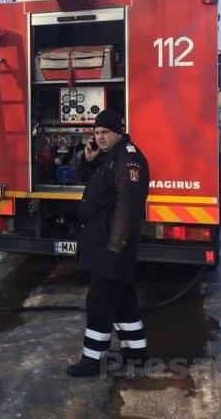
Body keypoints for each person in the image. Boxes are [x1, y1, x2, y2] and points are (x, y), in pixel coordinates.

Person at [66, 109, 150, 378]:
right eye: (97, 133)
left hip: (112, 246)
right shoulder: (107, 156)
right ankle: (136, 352)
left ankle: (93, 360)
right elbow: (83, 179)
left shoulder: (128, 159)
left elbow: (128, 204)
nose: (100, 137)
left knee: (99, 301)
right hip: (104, 242)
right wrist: (87, 159)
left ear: (118, 132)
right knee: (122, 298)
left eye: (105, 132)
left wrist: (116, 246)